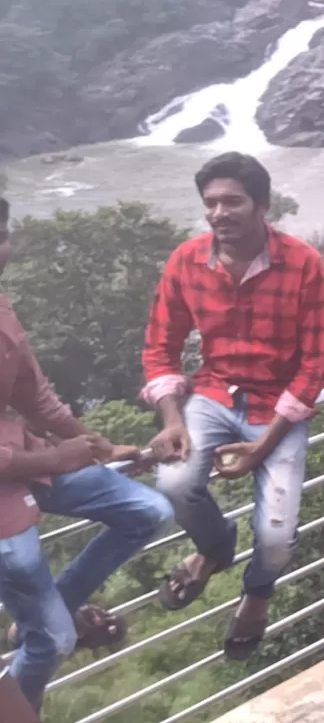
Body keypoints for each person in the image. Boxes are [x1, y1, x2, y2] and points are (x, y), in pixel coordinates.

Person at [142, 152, 324, 661]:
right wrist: (174, 418)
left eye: (233, 201)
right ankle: (215, 548)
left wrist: (262, 446)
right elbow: (160, 347)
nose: (219, 213)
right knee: (176, 485)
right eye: (211, 203)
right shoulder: (187, 261)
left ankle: (257, 594)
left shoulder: (303, 264)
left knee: (275, 538)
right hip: (213, 393)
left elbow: (315, 365)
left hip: (278, 408)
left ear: (262, 206)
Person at [0, 197, 173, 714]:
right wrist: (58, 459)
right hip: (22, 478)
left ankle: (50, 610)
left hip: (27, 461)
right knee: (53, 640)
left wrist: (95, 444)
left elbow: (35, 396)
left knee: (148, 511)